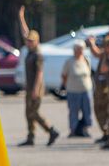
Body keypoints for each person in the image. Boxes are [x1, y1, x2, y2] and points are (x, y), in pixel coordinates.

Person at [17, 8, 58, 146]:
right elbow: (25, 32)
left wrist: (35, 89)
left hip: (36, 88)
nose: (28, 42)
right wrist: (21, 17)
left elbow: (39, 74)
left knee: (33, 112)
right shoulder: (30, 50)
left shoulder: (38, 55)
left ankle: (51, 130)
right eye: (28, 41)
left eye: (31, 41)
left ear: (37, 41)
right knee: (28, 113)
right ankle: (31, 137)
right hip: (30, 87)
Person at [60, 42, 94, 138]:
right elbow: (64, 75)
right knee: (73, 111)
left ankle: (85, 128)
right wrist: (66, 85)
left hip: (86, 89)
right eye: (78, 49)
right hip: (73, 90)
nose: (80, 51)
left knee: (87, 110)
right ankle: (73, 129)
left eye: (81, 49)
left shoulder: (86, 60)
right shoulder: (69, 61)